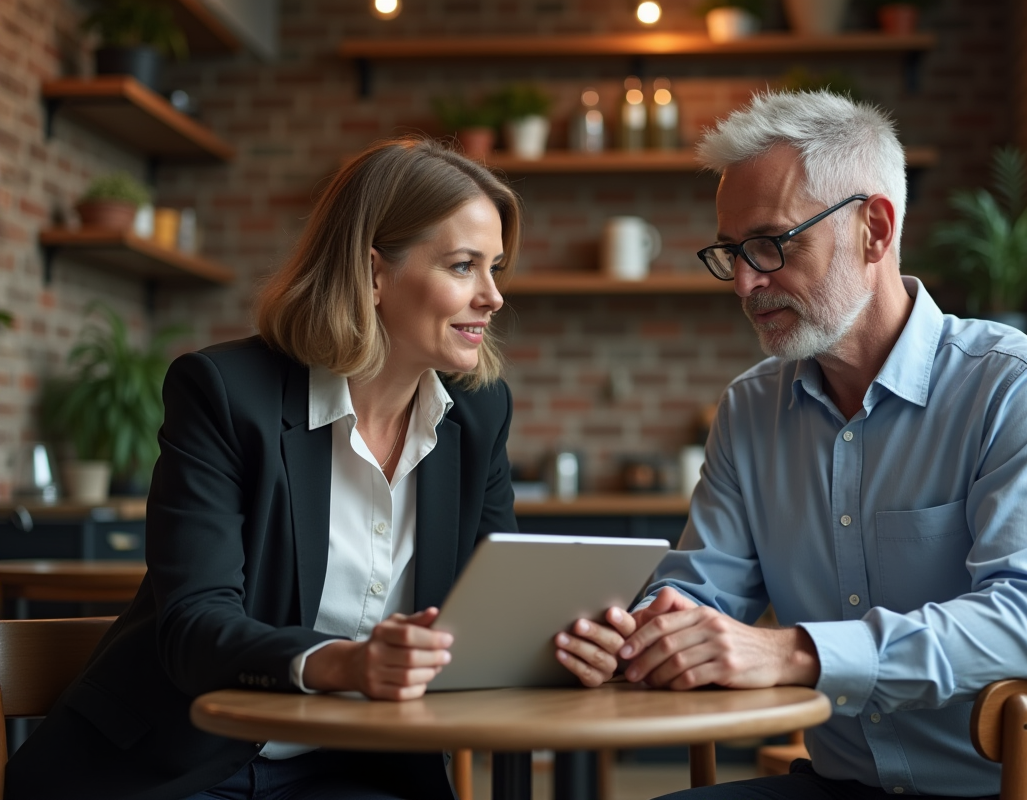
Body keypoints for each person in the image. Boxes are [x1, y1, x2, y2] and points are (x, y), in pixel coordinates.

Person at [5, 137, 622, 800]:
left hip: (358, 766)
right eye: (464, 266)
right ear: (373, 274)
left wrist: (560, 647)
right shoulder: (223, 392)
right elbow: (195, 627)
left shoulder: (477, 415)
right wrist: (347, 663)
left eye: (496, 268)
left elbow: (492, 615)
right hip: (171, 763)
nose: (494, 296)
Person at [616, 91, 1027, 800]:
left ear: (875, 230)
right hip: (849, 782)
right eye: (731, 253)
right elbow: (704, 593)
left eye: (771, 243)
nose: (744, 281)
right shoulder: (750, 409)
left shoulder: (1019, 389)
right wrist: (638, 633)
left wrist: (793, 651)